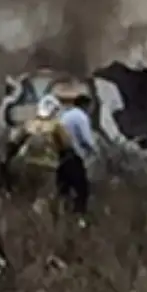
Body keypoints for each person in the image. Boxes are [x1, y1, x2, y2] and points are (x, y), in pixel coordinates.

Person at [54, 85, 97, 215]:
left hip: (61, 158)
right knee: (82, 191)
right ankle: (79, 218)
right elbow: (87, 140)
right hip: (74, 158)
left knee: (63, 191)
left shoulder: (64, 116)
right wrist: (94, 151)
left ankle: (60, 218)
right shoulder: (81, 117)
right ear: (86, 105)